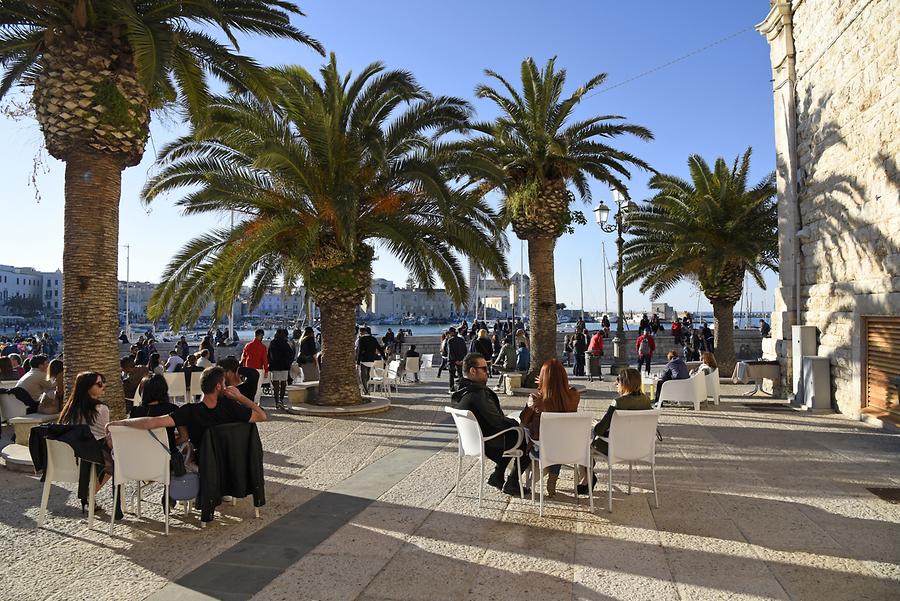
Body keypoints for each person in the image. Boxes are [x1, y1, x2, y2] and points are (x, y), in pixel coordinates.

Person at [107, 365, 266, 455]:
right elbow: (262, 416)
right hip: (231, 462)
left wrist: (121, 423)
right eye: (224, 384)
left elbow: (155, 422)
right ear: (218, 386)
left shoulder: (189, 411)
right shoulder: (232, 408)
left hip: (204, 462)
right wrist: (240, 398)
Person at [451, 353, 527, 496]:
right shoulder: (478, 394)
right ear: (473, 371)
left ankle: (497, 477)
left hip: (473, 442)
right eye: (484, 369)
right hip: (490, 444)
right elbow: (498, 422)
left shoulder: (459, 391)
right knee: (524, 438)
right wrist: (516, 423)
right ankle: (512, 482)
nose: (488, 372)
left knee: (514, 432)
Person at [58, 371, 122, 518]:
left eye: (103, 382)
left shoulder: (70, 408)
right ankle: (90, 492)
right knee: (115, 461)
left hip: (72, 457)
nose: (103, 386)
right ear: (87, 387)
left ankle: (89, 493)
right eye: (99, 384)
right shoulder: (101, 409)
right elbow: (106, 435)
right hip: (92, 456)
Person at [581, 368, 653, 492]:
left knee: (582, 445)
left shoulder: (618, 402)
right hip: (639, 447)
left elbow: (599, 430)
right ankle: (586, 480)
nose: (616, 383)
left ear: (625, 383)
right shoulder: (646, 401)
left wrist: (596, 425)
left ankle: (587, 480)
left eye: (618, 381)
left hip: (616, 448)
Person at [519, 359, 580, 496]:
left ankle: (518, 479)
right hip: (569, 449)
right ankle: (553, 476)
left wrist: (541, 388)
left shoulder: (536, 398)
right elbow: (562, 393)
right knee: (558, 440)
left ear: (542, 377)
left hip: (543, 451)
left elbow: (523, 420)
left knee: (544, 442)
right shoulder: (574, 395)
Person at [267, 328, 294, 409]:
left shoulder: (273, 343)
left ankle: (276, 402)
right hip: (284, 366)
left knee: (275, 386)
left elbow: (269, 355)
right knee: (283, 384)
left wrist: (270, 364)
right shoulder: (285, 343)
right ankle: (281, 401)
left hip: (275, 366)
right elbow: (291, 354)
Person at [356, 327, 384, 394]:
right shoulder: (373, 339)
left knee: (362, 376)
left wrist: (358, 362)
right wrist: (385, 358)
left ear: (364, 332)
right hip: (371, 360)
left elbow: (360, 351)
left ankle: (366, 391)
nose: (360, 334)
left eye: (360, 332)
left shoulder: (361, 339)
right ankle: (367, 388)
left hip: (364, 360)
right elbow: (380, 348)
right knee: (367, 375)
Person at [444, 327, 468, 393]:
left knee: (451, 375)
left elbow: (450, 352)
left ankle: (451, 388)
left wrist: (455, 361)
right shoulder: (461, 340)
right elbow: (465, 350)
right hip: (460, 360)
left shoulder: (450, 340)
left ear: (452, 332)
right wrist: (462, 359)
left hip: (452, 361)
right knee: (460, 374)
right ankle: (461, 387)